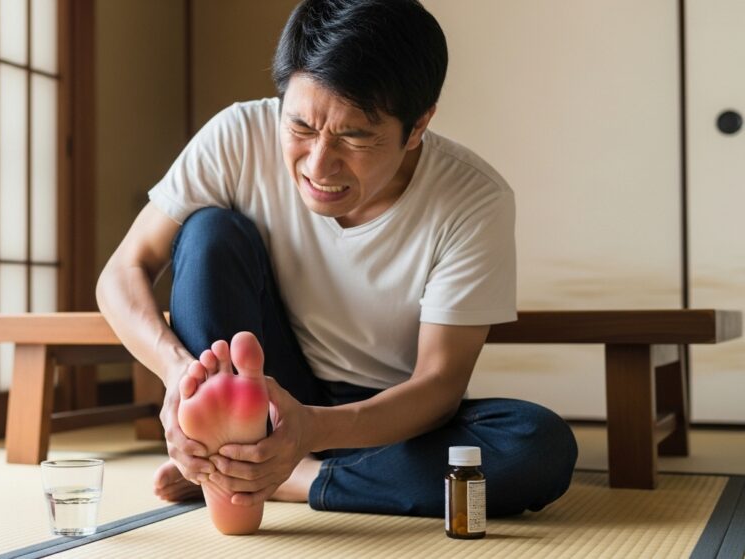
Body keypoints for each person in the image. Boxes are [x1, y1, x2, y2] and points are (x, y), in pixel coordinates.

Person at [96, 0, 577, 518]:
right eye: (300, 127)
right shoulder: (237, 136)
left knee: (537, 444)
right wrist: (179, 375)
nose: (319, 164)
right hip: (260, 392)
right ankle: (247, 458)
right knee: (209, 232)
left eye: (354, 136)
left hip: (386, 421)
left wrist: (312, 432)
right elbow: (122, 272)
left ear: (417, 127)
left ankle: (283, 477)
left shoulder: (472, 199)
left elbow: (438, 386)